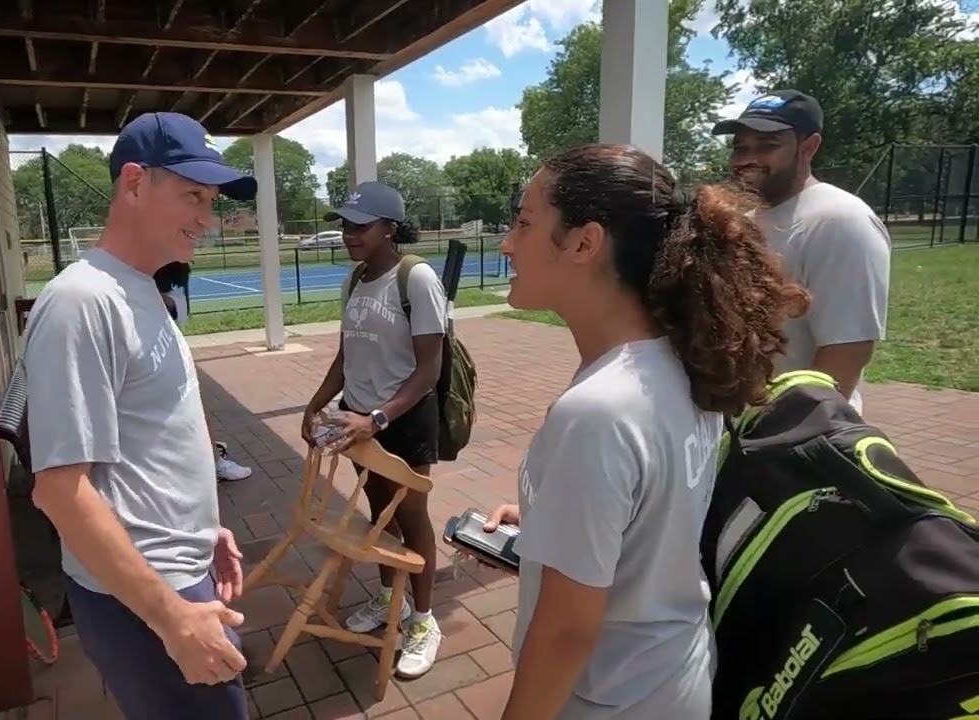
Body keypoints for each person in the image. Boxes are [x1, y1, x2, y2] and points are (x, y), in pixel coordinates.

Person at [483, 144, 809, 719]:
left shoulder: (598, 410)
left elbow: (564, 634)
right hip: (673, 678)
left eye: (525, 222)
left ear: (584, 242)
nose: (508, 242)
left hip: (606, 701)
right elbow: (650, 509)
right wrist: (545, 511)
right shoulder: (682, 362)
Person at [23, 111, 260, 720]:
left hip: (180, 567)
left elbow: (157, 432)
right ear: (133, 184)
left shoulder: (142, 288)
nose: (207, 218)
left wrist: (204, 527)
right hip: (147, 597)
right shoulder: (82, 301)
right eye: (192, 195)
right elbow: (60, 492)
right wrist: (173, 619)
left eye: (211, 199)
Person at [300, 181, 449, 679]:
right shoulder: (354, 281)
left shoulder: (417, 279)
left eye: (360, 225)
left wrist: (378, 419)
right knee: (378, 517)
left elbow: (429, 369)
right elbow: (346, 357)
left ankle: (425, 621)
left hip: (401, 421)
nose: (349, 234)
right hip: (357, 419)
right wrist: (316, 403)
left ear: (390, 228)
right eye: (344, 224)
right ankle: (392, 601)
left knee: (411, 516)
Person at [712, 90, 892, 414]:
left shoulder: (839, 220)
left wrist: (790, 436)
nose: (747, 159)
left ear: (809, 147)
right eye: (740, 148)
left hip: (792, 438)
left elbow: (847, 351)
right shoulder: (748, 219)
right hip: (743, 428)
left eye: (768, 145)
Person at [154, 261, 254, 483]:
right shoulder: (143, 293)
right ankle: (205, 461)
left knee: (196, 411)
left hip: (169, 367)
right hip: (150, 371)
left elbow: (164, 304)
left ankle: (214, 461)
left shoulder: (170, 299)